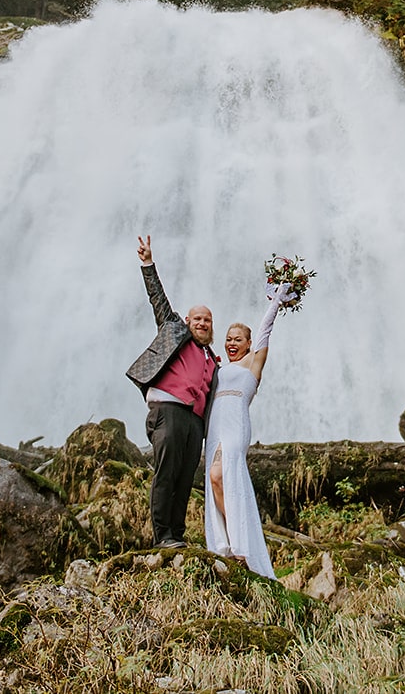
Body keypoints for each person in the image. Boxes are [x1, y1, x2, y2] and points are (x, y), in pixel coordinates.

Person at [126, 235, 218, 548]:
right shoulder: (174, 333)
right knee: (166, 473)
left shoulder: (212, 360)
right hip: (168, 412)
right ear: (187, 321)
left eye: (207, 319)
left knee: (184, 478)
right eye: (197, 318)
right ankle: (162, 535)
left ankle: (176, 535)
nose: (202, 323)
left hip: (194, 421)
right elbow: (158, 300)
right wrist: (148, 263)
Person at [202, 280, 293, 578]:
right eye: (228, 338)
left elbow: (265, 331)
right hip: (214, 426)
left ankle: (243, 543)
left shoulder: (252, 363)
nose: (231, 343)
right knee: (215, 480)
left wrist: (276, 303)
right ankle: (229, 542)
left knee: (223, 475)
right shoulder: (217, 367)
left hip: (235, 425)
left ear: (247, 343)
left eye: (237, 339)